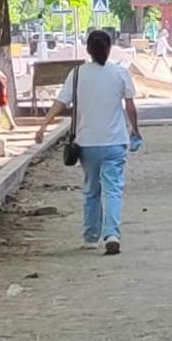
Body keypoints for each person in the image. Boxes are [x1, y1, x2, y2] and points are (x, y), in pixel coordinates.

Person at [60, 25, 144, 255]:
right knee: (113, 189)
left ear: (88, 50)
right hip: (115, 141)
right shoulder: (120, 73)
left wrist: (43, 126)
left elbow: (61, 102)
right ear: (109, 49)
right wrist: (135, 130)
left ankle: (90, 237)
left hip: (87, 142)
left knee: (91, 189)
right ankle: (112, 234)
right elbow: (130, 106)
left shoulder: (77, 74)